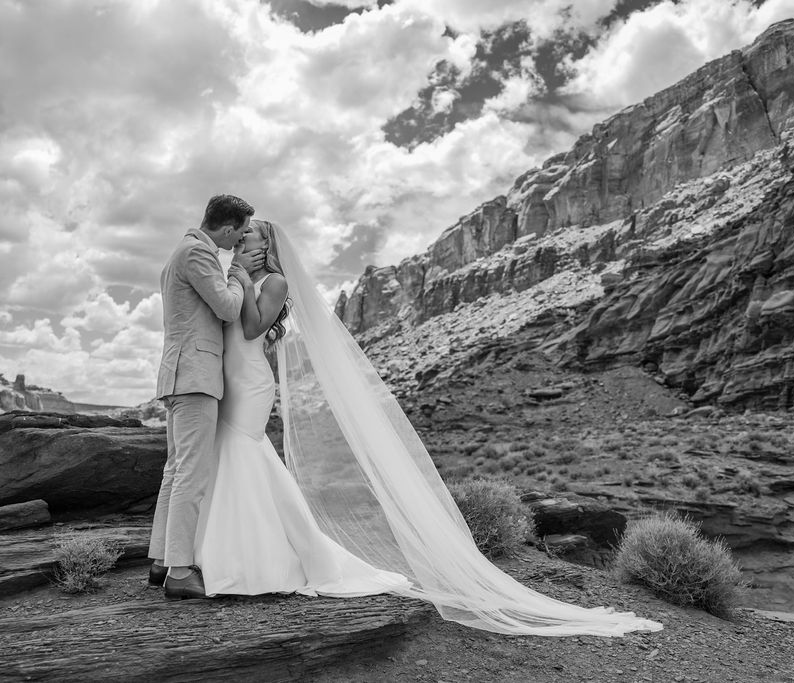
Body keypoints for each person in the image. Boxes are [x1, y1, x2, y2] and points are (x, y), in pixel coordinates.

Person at [188, 218, 663, 637]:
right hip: (229, 377)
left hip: (249, 382)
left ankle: (249, 563)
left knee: (242, 452)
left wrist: (237, 278)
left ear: (265, 242)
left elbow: (252, 330)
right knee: (236, 455)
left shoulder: (271, 280)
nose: (240, 237)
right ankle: (237, 553)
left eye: (247, 232)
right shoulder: (245, 277)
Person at [147, 194, 265, 599]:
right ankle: (180, 572)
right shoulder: (198, 254)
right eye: (240, 233)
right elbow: (230, 309)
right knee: (191, 474)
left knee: (175, 470)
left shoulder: (181, 250)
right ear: (228, 228)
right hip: (195, 376)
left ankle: (162, 559)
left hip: (179, 375)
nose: (241, 242)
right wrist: (238, 273)